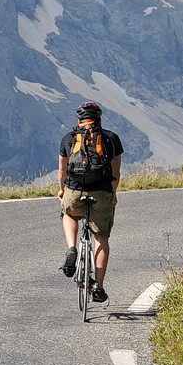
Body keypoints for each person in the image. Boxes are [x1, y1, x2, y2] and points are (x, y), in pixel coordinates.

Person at [58, 101, 123, 303]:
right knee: (101, 238)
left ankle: (72, 248)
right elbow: (116, 172)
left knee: (69, 214)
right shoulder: (110, 138)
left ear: (79, 120)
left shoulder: (69, 138)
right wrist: (113, 193)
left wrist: (62, 191)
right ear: (99, 119)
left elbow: (62, 170)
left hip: (74, 191)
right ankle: (99, 287)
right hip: (102, 192)